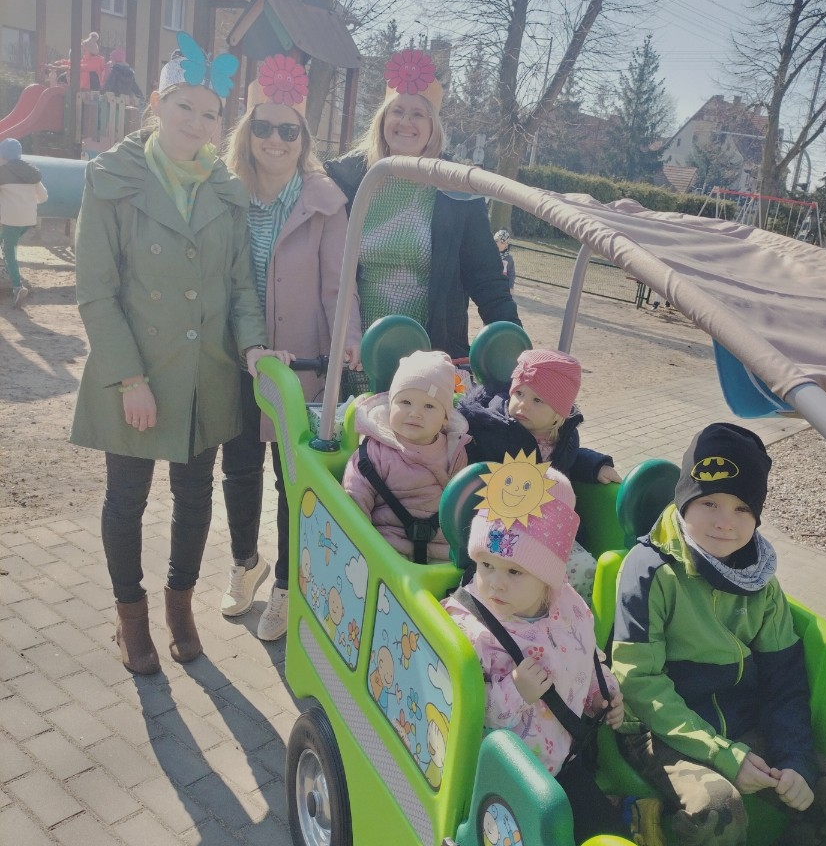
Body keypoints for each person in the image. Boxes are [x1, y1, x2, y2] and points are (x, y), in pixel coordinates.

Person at [71, 33, 285, 676]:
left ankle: (180, 606)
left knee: (194, 497)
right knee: (127, 500)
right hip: (137, 373)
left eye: (210, 112)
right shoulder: (112, 180)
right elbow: (96, 291)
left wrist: (252, 346)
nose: (197, 121)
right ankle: (130, 616)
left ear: (221, 123)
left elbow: (241, 286)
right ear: (158, 105)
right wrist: (128, 378)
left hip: (204, 374)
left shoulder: (225, 191)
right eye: (184, 106)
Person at [612, 423, 826, 846]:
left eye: (742, 508)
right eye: (709, 503)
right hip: (661, 729)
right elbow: (639, 681)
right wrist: (723, 755)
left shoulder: (761, 581)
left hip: (741, 726)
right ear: (685, 500)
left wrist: (795, 760)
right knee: (715, 805)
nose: (725, 522)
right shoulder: (649, 569)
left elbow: (785, 681)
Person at [220, 54, 363, 641]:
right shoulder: (226, 192)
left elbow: (338, 283)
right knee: (238, 468)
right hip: (237, 354)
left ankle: (285, 585)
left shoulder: (324, 200)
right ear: (247, 130)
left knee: (289, 475)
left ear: (303, 138)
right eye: (263, 126)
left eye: (288, 129)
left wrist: (347, 341)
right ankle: (244, 562)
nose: (275, 140)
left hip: (298, 360)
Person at [443, 457, 626, 844]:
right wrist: (515, 691)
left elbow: (585, 655)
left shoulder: (567, 606)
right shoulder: (471, 629)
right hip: (505, 780)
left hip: (564, 761)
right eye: (486, 565)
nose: (495, 583)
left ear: (548, 577)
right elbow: (463, 714)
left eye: (514, 571)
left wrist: (602, 692)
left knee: (611, 841)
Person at [324, 48, 520, 358]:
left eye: (418, 114)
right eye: (397, 111)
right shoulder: (350, 179)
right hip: (358, 353)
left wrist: (514, 347)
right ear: (383, 119)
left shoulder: (456, 188)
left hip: (430, 356)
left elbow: (486, 278)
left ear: (432, 127)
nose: (405, 121)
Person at [460, 348, 621, 599]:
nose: (523, 404)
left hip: (547, 527)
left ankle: (569, 614)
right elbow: (472, 470)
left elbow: (571, 459)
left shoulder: (563, 437)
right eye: (519, 393)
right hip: (502, 526)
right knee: (522, 577)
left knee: (587, 569)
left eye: (538, 400)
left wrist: (596, 465)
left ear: (559, 413)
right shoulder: (494, 430)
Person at [342, 349, 469, 563]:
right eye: (405, 402)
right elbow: (355, 500)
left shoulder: (455, 450)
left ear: (445, 418)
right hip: (388, 552)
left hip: (442, 555)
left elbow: (461, 504)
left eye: (429, 406)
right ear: (390, 405)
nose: (415, 413)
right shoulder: (373, 453)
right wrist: (360, 550)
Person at [0, 138, 47, 308]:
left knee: (9, 251)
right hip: (28, 220)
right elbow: (44, 196)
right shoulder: (31, 172)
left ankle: (17, 287)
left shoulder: (2, 172)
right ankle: (6, 267)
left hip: (11, 219)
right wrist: (27, 202)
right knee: (5, 241)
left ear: (3, 156)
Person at [494, 228, 516, 293]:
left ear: (506, 244)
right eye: (496, 241)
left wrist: (510, 286)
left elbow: (511, 274)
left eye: (502, 242)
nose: (498, 244)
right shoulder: (490, 254)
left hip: (502, 287)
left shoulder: (509, 258)